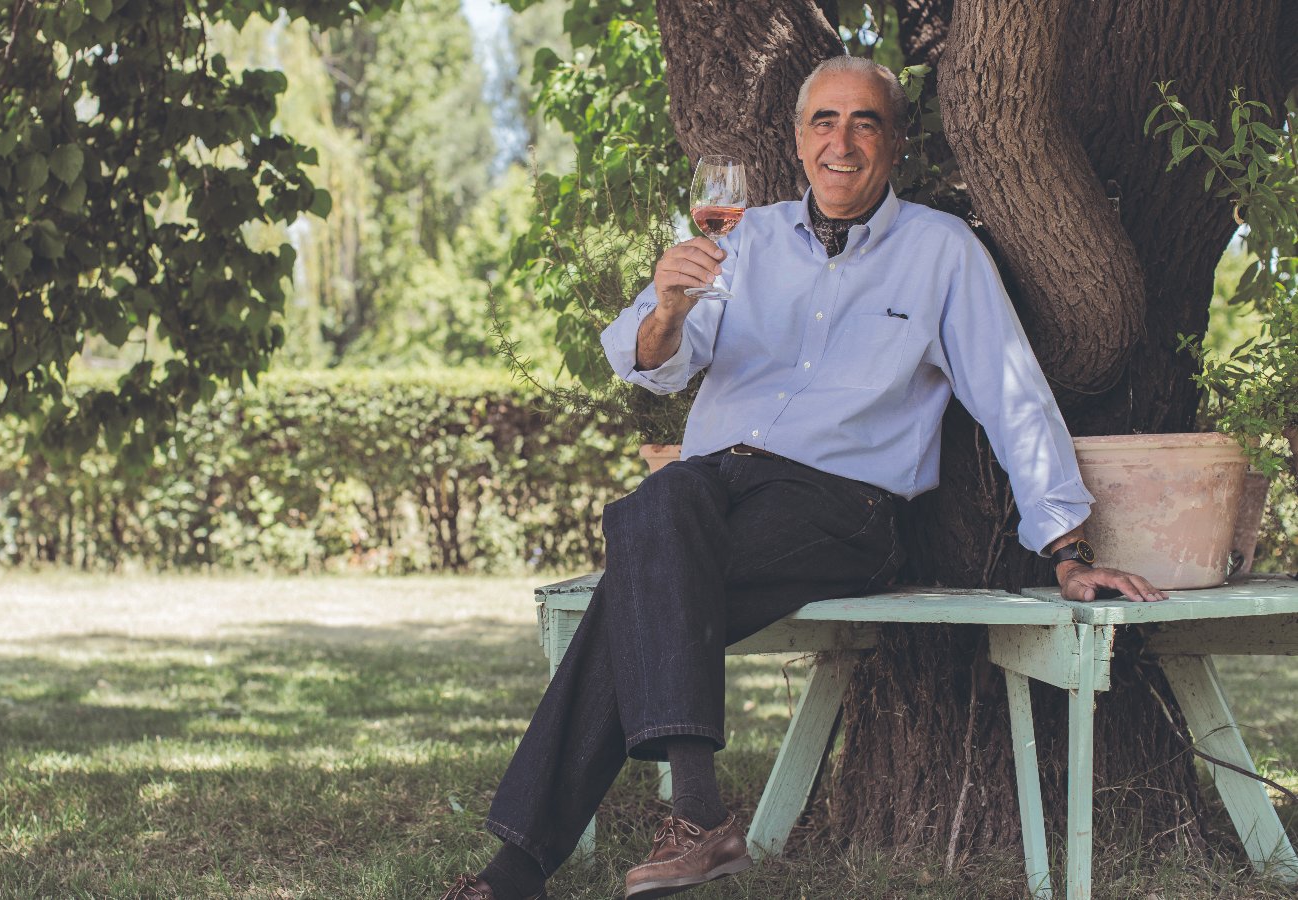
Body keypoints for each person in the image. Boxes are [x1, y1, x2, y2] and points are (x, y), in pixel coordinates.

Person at [437, 55, 1164, 900]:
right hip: (714, 493)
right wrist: (667, 308)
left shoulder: (942, 252)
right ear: (797, 140)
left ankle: (534, 865)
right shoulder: (741, 241)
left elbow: (1013, 397)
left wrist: (1067, 550)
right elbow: (652, 365)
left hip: (843, 508)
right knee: (661, 509)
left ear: (895, 142)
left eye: (864, 122)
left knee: (643, 561)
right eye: (824, 121)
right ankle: (682, 824)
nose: (840, 142)